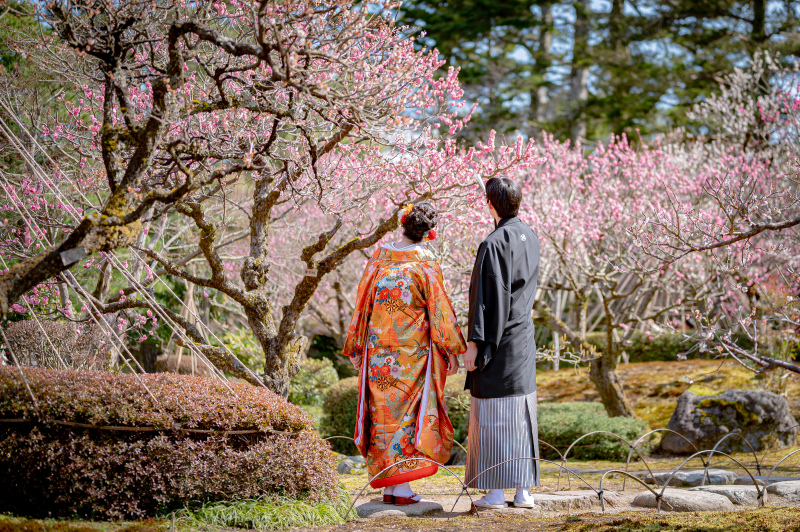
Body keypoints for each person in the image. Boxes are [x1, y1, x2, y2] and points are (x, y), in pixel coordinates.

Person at [343, 202, 466, 506]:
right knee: (408, 417)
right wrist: (451, 349)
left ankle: (391, 487)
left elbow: (363, 302)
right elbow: (439, 309)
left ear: (403, 224)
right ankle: (401, 488)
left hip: (378, 353)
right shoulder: (425, 262)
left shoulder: (379, 258)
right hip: (412, 355)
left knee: (382, 415)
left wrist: (356, 345)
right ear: (428, 232)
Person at [463, 176, 541, 509]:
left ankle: (494, 493)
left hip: (498, 342)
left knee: (493, 413)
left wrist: (474, 344)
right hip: (523, 338)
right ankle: (523, 493)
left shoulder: (493, 243)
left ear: (490, 204)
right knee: (522, 413)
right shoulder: (531, 236)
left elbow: (485, 299)